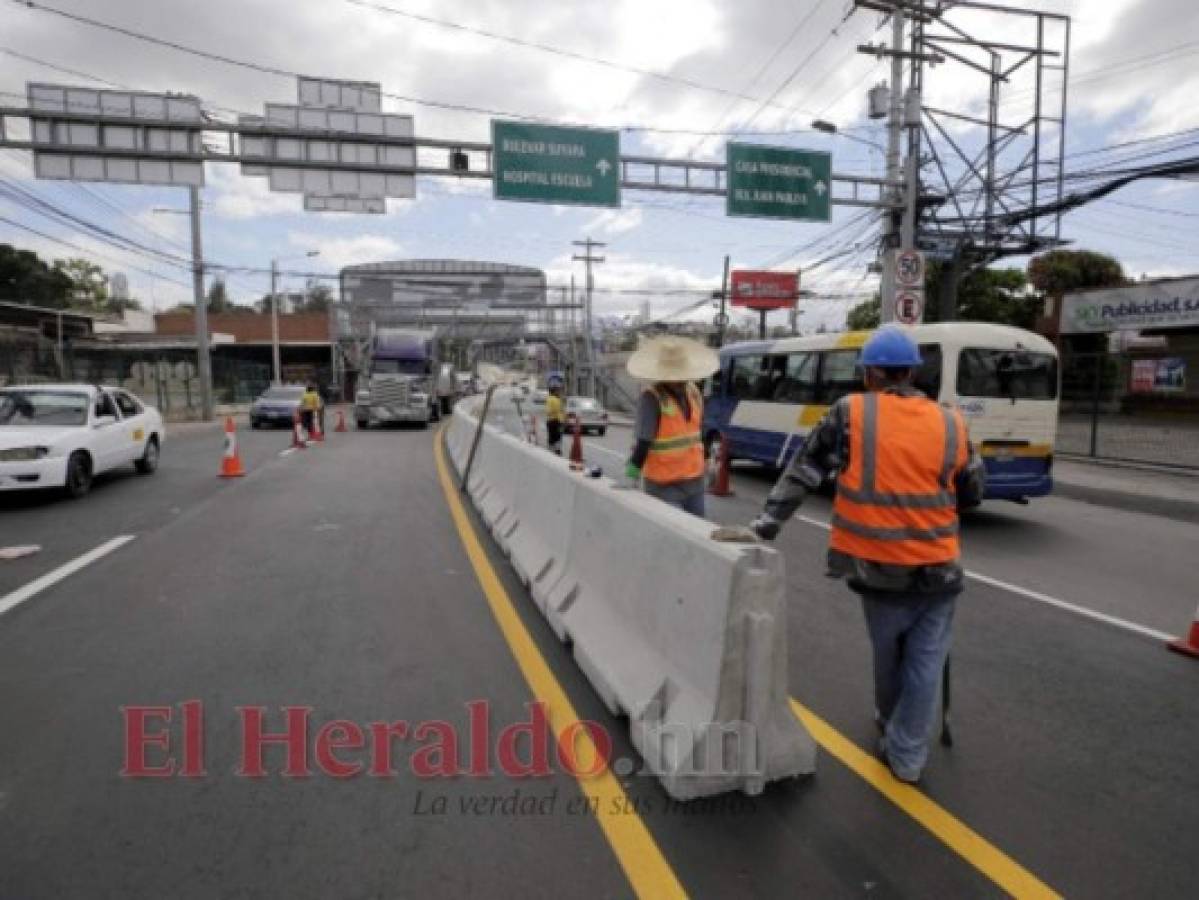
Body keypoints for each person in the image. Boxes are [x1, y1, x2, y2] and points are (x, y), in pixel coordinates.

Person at [746, 326, 985, 784]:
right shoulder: (952, 420)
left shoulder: (850, 412)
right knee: (926, 662)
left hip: (880, 569)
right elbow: (973, 490)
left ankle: (890, 723)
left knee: (889, 655)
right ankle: (908, 756)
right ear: (913, 371)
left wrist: (768, 524)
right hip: (940, 568)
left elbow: (805, 470)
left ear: (871, 373)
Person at [624, 336, 719, 518]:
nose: (680, 379)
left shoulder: (693, 392)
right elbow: (643, 442)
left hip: (694, 483)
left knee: (696, 535)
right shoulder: (651, 398)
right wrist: (631, 474)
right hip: (663, 486)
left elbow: (696, 433)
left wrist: (708, 459)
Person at [544, 380, 565, 455]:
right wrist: (555, 411)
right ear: (554, 391)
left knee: (558, 436)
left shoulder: (558, 399)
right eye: (558, 390)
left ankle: (557, 449)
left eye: (559, 390)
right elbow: (548, 411)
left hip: (558, 421)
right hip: (553, 421)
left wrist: (564, 419)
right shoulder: (551, 399)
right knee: (554, 436)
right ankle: (553, 450)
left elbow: (561, 410)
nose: (559, 391)